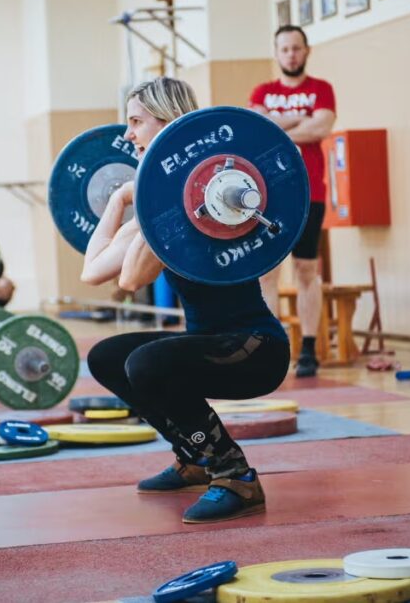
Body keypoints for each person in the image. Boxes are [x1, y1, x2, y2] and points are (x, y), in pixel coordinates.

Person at [83, 77, 291, 524]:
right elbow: (93, 271)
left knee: (147, 363)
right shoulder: (158, 204)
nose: (127, 135)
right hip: (207, 344)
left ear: (169, 125)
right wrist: (123, 198)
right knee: (106, 357)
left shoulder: (212, 197)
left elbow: (132, 277)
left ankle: (235, 475)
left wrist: (154, 206)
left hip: (253, 348)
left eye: (136, 122)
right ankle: (193, 457)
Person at [249, 24, 337, 377]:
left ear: (307, 50)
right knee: (267, 274)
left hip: (309, 193)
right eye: (284, 49)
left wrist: (277, 126)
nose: (291, 54)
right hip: (267, 196)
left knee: (306, 270)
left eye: (296, 48)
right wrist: (299, 119)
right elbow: (255, 128)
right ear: (276, 53)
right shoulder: (262, 91)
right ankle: (273, 350)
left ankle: (309, 350)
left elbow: (321, 128)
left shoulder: (321, 89)